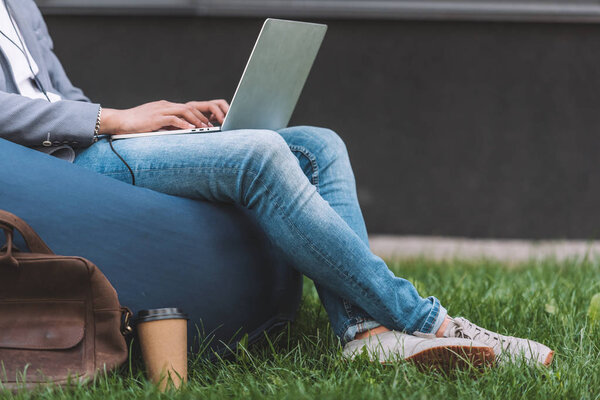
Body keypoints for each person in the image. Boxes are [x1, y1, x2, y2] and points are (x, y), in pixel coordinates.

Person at [0, 0, 553, 370]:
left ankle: (364, 332)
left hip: (93, 142)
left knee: (317, 144)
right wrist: (110, 121)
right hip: (53, 168)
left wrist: (154, 117)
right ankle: (427, 321)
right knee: (261, 154)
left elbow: (57, 95)